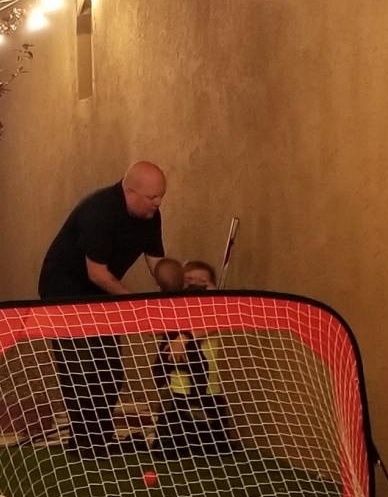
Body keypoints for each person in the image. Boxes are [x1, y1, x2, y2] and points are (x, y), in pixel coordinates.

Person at [39, 161, 167, 452]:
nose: (158, 203)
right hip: (65, 290)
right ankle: (83, 441)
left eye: (161, 196)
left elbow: (158, 265)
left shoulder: (150, 216)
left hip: (100, 292)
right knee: (81, 368)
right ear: (130, 191)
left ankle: (99, 437)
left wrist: (176, 291)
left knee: (110, 370)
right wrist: (138, 309)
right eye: (152, 197)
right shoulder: (100, 211)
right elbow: (97, 273)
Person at [151, 257, 238, 455]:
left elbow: (212, 324)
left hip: (209, 388)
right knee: (170, 448)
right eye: (189, 280)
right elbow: (153, 329)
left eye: (203, 282)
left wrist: (184, 338)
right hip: (177, 387)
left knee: (217, 448)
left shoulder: (214, 310)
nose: (195, 285)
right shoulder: (174, 308)